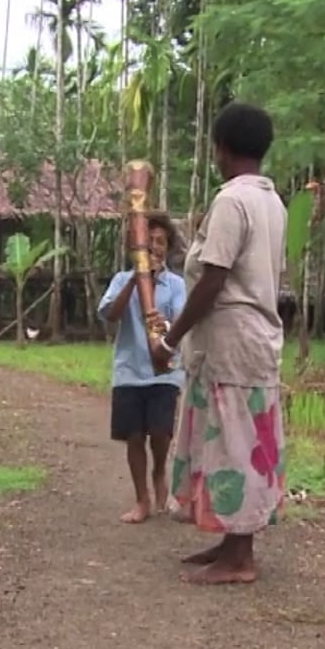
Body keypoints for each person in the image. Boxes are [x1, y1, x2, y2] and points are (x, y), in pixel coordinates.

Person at [151, 102, 288, 585]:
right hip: (255, 339)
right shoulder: (272, 201)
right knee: (243, 440)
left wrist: (170, 337)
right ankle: (232, 541)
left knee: (233, 443)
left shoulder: (232, 201)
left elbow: (214, 280)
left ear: (222, 148)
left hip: (233, 341)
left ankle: (239, 557)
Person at [98, 209, 187, 523]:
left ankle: (160, 471)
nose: (154, 246)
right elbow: (110, 314)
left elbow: (179, 321)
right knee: (134, 436)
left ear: (167, 247)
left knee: (161, 432)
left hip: (165, 371)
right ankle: (141, 499)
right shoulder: (122, 279)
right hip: (129, 372)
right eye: (147, 240)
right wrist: (137, 280)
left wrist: (160, 330)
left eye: (160, 241)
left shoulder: (175, 284)